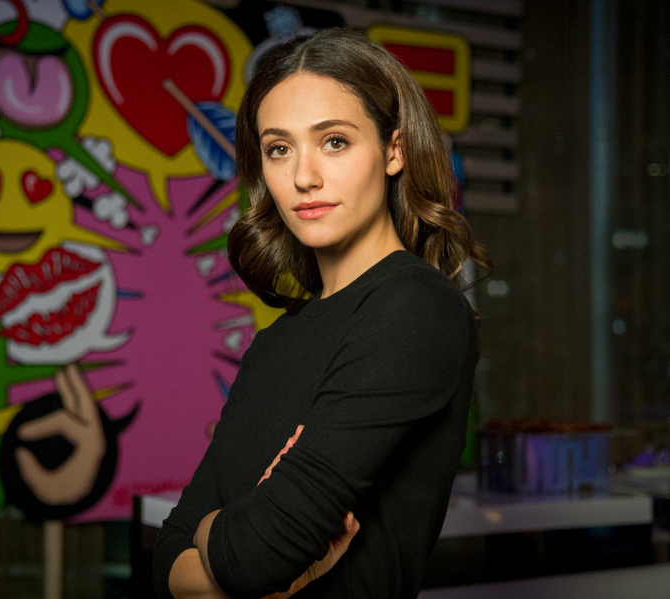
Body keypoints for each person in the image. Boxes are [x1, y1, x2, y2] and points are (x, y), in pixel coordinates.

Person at [153, 27, 491, 599]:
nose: (303, 177)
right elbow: (165, 561)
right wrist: (237, 553)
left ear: (393, 149)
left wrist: (221, 542)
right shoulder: (277, 341)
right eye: (278, 148)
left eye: (334, 141)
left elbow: (257, 556)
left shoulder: (417, 307)